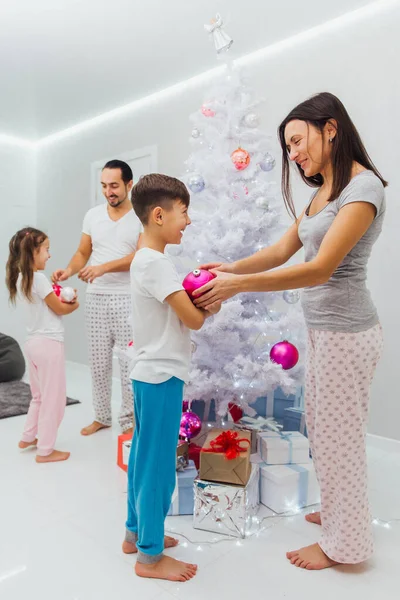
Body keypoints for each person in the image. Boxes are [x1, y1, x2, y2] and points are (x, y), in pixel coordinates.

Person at [194, 92, 386, 570]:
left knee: (338, 436)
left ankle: (348, 547)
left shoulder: (363, 190)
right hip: (324, 330)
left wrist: (236, 286)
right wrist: (231, 266)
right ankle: (342, 515)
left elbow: (319, 269)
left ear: (331, 129)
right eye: (289, 147)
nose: (294, 153)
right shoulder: (323, 193)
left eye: (298, 141)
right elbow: (282, 251)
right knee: (324, 432)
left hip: (348, 332)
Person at [122, 174, 221, 582]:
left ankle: (135, 534)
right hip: (162, 374)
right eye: (184, 212)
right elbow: (193, 319)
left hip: (149, 372)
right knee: (158, 464)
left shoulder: (145, 260)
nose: (189, 221)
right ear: (159, 215)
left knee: (144, 457)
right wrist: (214, 301)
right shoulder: (156, 263)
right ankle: (150, 555)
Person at [52, 160, 141, 436]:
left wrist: (103, 267)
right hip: (96, 299)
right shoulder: (92, 215)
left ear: (129, 184)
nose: (108, 191)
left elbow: (141, 255)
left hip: (127, 298)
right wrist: (69, 270)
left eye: (114, 186)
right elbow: (83, 252)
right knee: (99, 362)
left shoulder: (141, 216)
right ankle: (102, 416)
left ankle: (129, 423)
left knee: (129, 365)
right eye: (104, 186)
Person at [6, 227, 79, 463]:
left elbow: (46, 303)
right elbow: (59, 308)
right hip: (49, 343)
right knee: (54, 399)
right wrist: (73, 302)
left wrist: (57, 292)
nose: (49, 255)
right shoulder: (38, 278)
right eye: (46, 250)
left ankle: (28, 436)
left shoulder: (21, 277)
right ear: (33, 252)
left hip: (33, 343)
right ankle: (46, 450)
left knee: (38, 396)